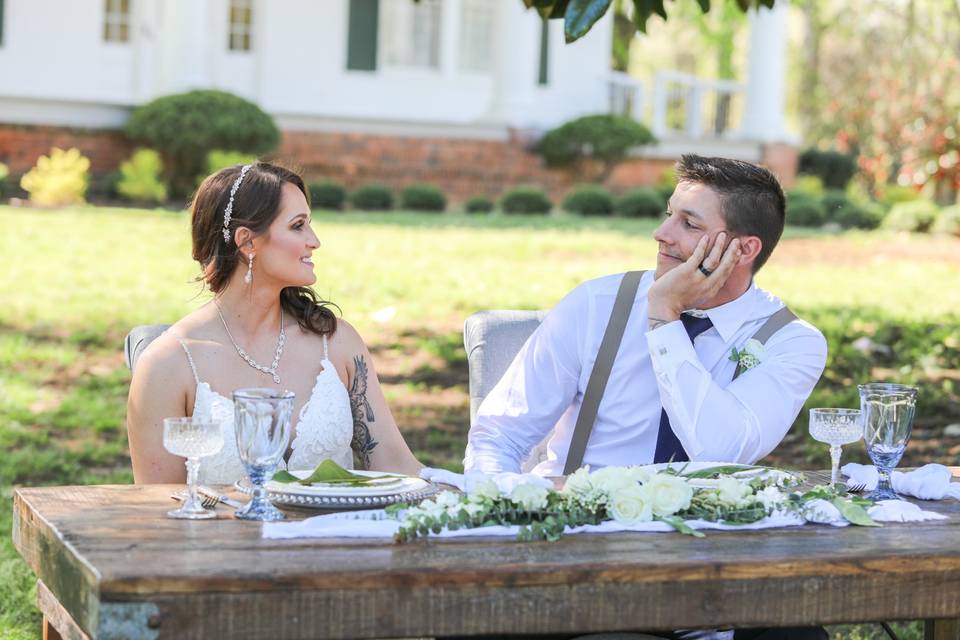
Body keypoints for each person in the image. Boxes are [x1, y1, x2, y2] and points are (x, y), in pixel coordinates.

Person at [465, 154, 828, 477]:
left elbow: (720, 450)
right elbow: (498, 436)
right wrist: (507, 512)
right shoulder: (596, 305)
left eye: (690, 224)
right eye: (670, 214)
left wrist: (664, 316)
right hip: (577, 527)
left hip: (704, 540)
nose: (661, 234)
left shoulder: (793, 342)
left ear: (744, 249)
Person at [127, 162, 422, 484]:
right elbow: (156, 504)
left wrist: (470, 494)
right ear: (247, 242)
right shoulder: (168, 364)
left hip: (339, 533)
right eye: (298, 226)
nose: (314, 241)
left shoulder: (337, 343)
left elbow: (393, 462)